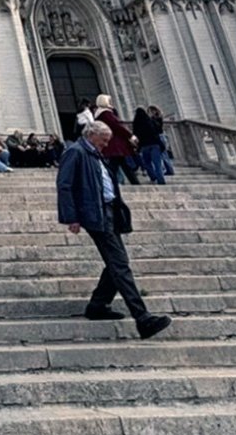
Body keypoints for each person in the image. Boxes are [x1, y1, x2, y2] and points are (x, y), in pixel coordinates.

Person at [57, 121, 171, 340]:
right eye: (104, 139)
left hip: (108, 210)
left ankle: (98, 305)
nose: (107, 144)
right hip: (94, 214)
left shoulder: (95, 152)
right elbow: (64, 184)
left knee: (117, 263)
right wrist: (71, 217)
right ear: (92, 135)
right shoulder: (76, 152)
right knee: (119, 264)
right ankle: (143, 318)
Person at [94, 94, 140, 185]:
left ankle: (133, 182)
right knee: (117, 165)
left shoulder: (99, 114)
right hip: (115, 143)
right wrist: (130, 135)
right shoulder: (106, 114)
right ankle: (132, 182)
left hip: (112, 144)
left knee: (119, 165)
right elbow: (117, 126)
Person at [132, 105, 165, 185]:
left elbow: (135, 135)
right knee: (157, 164)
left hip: (144, 146)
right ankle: (161, 180)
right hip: (154, 144)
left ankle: (153, 176)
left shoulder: (136, 123)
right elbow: (158, 131)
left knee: (147, 163)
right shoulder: (150, 121)